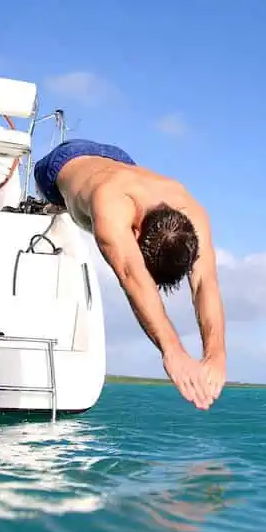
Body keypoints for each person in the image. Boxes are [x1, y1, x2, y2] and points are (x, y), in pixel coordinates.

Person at [32, 139, 227, 410]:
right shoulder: (111, 205)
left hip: (120, 162)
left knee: (103, 198)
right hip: (61, 165)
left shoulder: (191, 213)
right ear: (135, 234)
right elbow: (132, 276)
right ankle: (58, 203)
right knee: (74, 204)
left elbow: (205, 282)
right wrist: (173, 350)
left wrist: (216, 354)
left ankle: (80, 193)